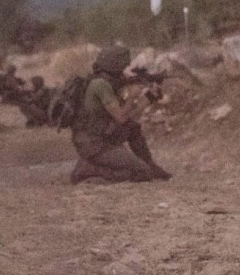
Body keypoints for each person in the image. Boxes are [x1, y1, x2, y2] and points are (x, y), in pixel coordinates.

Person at [69, 45, 172, 184]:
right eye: (123, 66)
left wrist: (149, 98)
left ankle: (150, 165)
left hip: (101, 138)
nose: (125, 70)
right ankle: (88, 170)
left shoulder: (107, 83)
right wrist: (132, 95)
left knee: (132, 127)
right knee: (141, 172)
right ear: (115, 65)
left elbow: (128, 115)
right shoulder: (100, 85)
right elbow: (121, 117)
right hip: (94, 144)